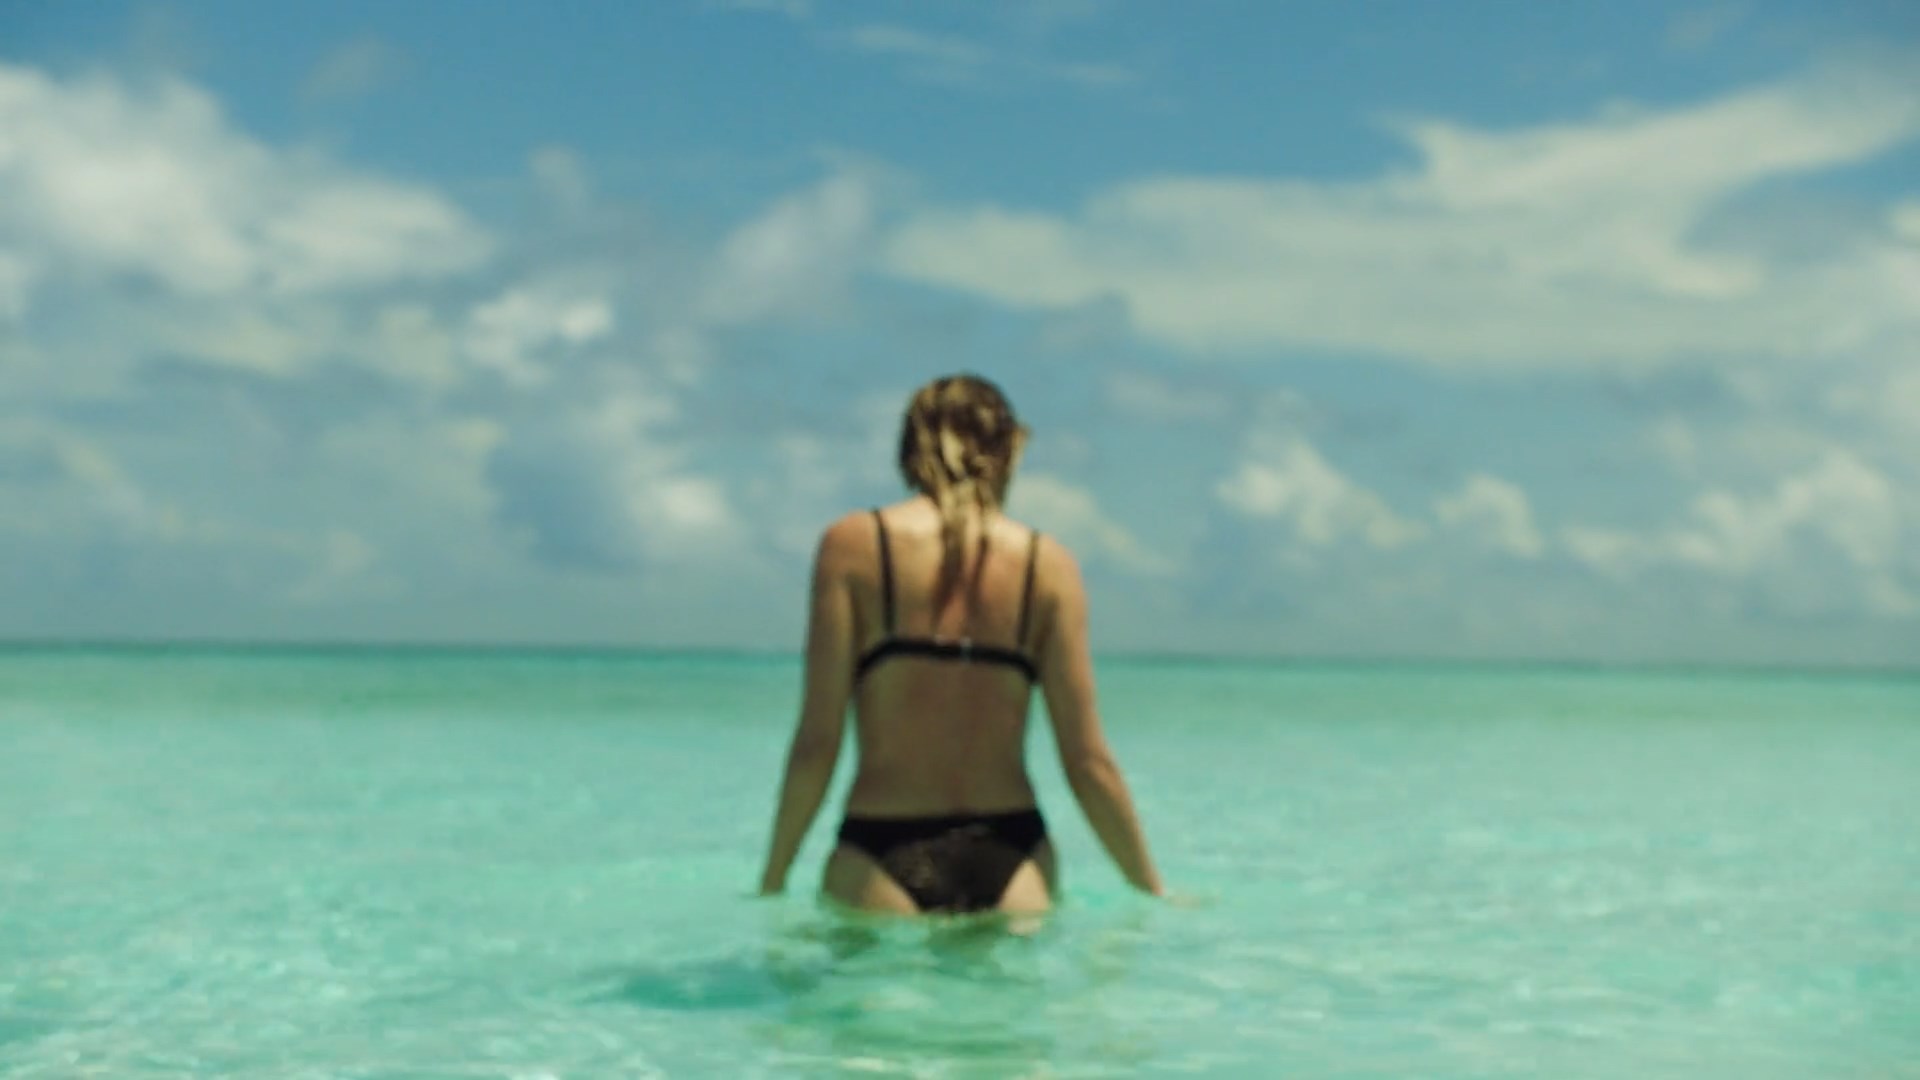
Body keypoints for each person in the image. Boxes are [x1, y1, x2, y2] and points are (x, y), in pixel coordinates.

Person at [757, 374, 1163, 916]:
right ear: (1008, 451)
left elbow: (817, 741)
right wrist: (1152, 889)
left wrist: (773, 879)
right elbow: (1088, 761)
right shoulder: (1048, 566)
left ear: (910, 451)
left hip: (881, 846)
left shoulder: (853, 547)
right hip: (1014, 852)